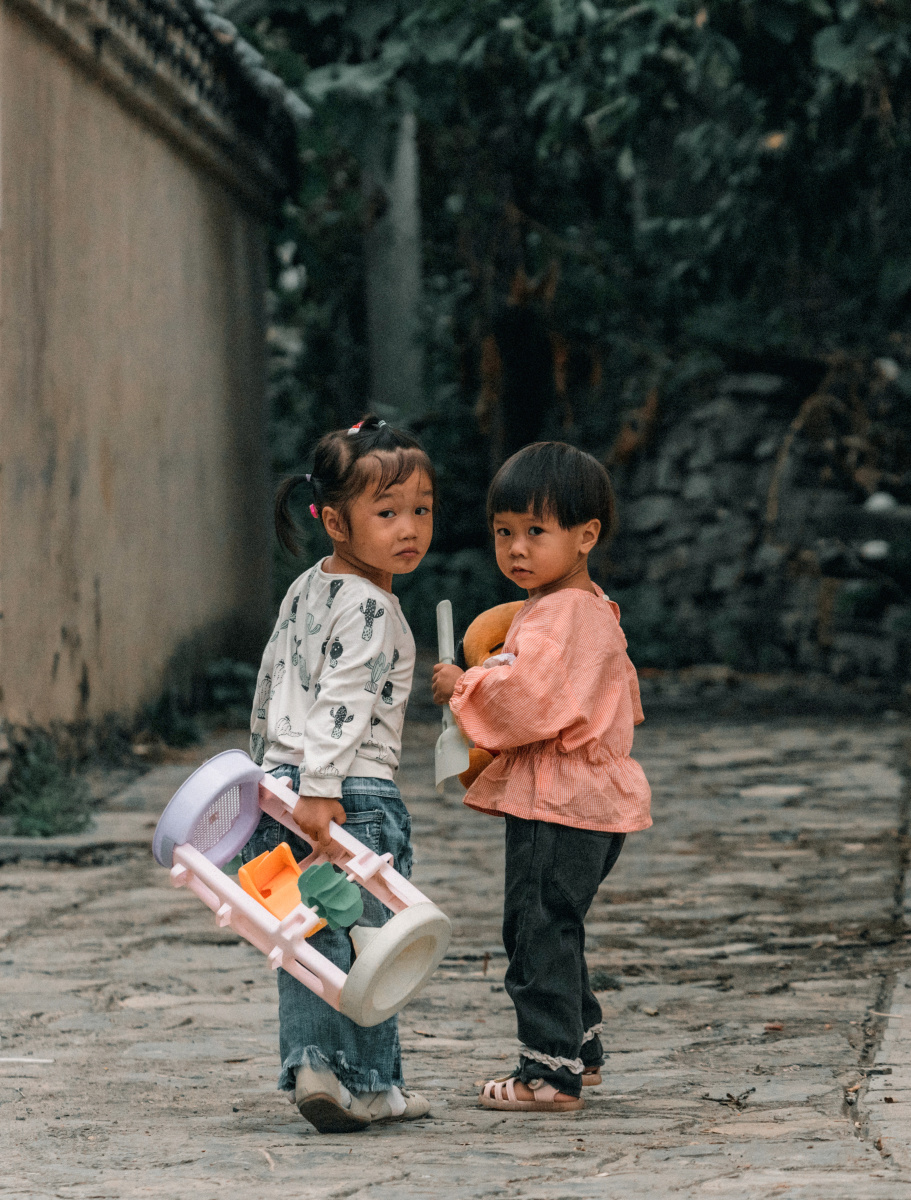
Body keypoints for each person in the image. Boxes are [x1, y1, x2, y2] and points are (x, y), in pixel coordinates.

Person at [431, 441, 651, 1113]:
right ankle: (576, 1051)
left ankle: (546, 1075)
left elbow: (528, 701)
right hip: (587, 797)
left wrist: (462, 686)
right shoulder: (587, 610)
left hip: (559, 800)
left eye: (535, 532)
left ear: (585, 536)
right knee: (555, 924)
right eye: (503, 532)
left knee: (535, 931)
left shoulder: (558, 615)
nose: (515, 549)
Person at [247, 414, 435, 1133]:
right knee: (372, 938)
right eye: (385, 513)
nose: (408, 527)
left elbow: (271, 682)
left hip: (283, 788)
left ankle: (315, 1068)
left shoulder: (306, 589)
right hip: (348, 793)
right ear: (333, 521)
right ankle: (375, 1084)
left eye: (420, 509)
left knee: (303, 931)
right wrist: (324, 789)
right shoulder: (370, 605)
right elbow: (344, 698)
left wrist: (265, 778)